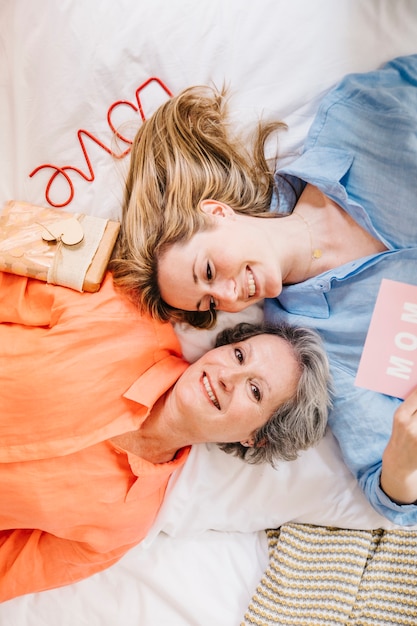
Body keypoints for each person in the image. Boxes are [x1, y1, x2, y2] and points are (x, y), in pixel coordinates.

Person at [110, 54, 417, 525]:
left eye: (209, 270)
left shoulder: (356, 119)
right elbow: (390, 493)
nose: (233, 297)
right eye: (211, 303)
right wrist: (401, 461)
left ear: (216, 212)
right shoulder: (319, 350)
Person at [0, 269, 329, 601]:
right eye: (240, 355)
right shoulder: (124, 315)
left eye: (255, 391)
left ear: (256, 437)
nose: (228, 376)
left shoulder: (123, 525)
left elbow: (8, 570)